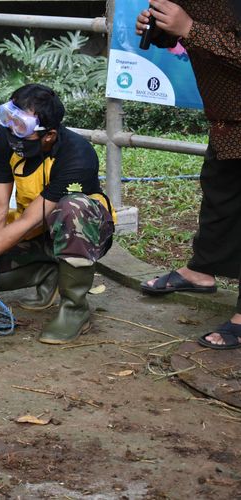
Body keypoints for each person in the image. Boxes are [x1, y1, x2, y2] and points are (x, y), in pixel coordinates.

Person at [0, 84, 115, 344]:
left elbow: (29, 221)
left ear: (48, 135)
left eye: (21, 125)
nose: (11, 129)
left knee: (73, 209)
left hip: (81, 232)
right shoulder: (5, 139)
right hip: (36, 234)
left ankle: (75, 309)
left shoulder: (77, 155)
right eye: (8, 117)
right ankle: (49, 274)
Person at [136, 0, 241, 349]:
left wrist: (189, 29)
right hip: (229, 117)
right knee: (220, 193)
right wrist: (165, 31)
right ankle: (201, 270)